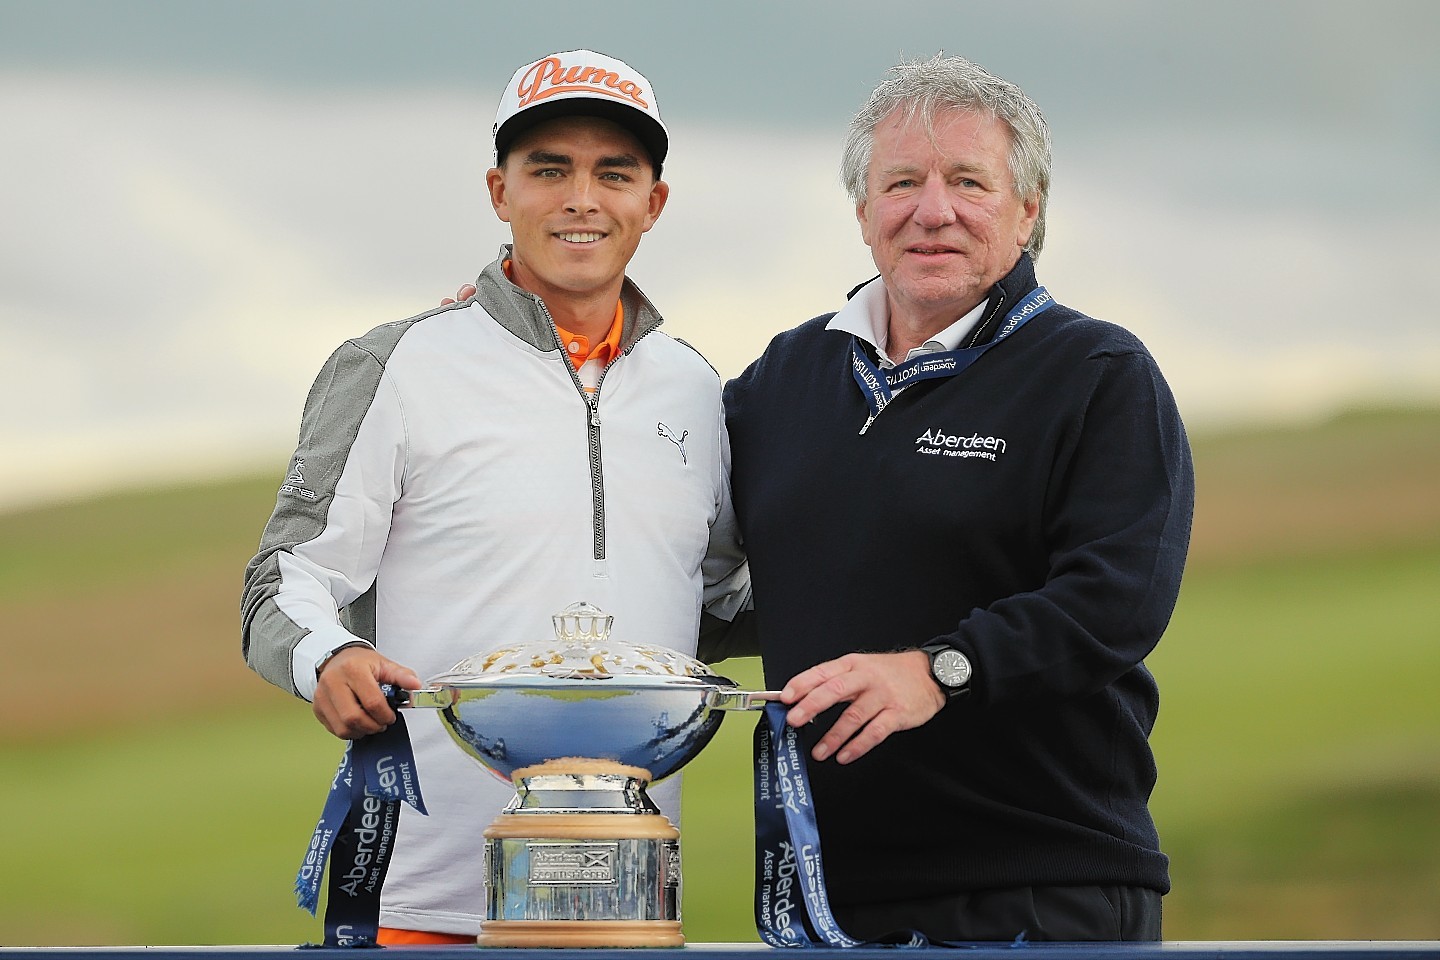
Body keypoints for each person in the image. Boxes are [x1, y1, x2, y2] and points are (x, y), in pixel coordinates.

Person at [241, 49, 747, 945]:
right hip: (421, 905)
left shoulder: (698, 390)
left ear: (653, 203)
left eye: (613, 173)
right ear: (499, 191)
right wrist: (326, 657)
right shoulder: (397, 363)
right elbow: (283, 580)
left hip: (629, 905)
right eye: (548, 170)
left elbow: (709, 608)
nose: (580, 198)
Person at [717, 54, 1195, 942]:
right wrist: (517, 346)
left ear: (1027, 210)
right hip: (822, 898)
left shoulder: (1097, 374)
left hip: (1044, 892)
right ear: (863, 213)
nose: (932, 210)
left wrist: (938, 669)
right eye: (902, 182)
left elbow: (1116, 601)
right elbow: (651, 504)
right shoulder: (782, 379)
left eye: (968, 181)